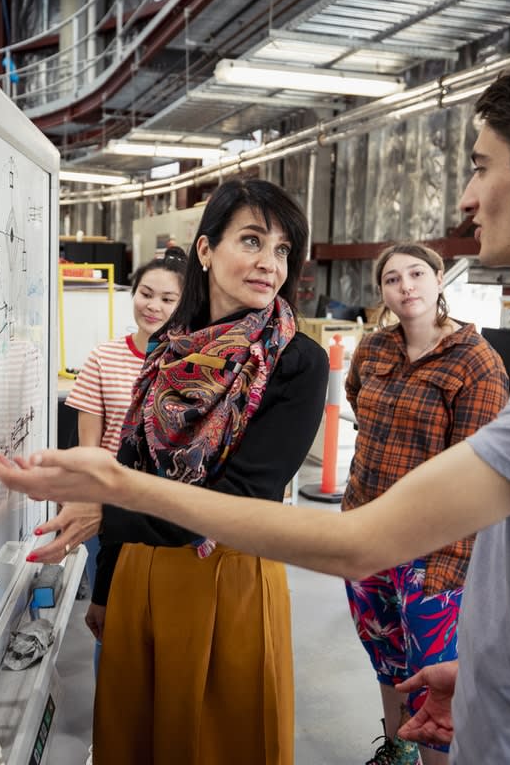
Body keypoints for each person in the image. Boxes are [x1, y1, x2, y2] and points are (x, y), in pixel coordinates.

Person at [0, 40, 510, 763]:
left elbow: (360, 541)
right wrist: (487, 675)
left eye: (483, 167)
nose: (465, 197)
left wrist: (112, 486)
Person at [24, 178, 327, 764]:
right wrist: (107, 586)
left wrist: (104, 515)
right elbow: (130, 461)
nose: (270, 264)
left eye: (284, 250)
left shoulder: (296, 360)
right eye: (252, 240)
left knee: (215, 743)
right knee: (139, 738)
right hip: (140, 572)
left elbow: (244, 497)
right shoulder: (169, 346)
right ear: (206, 250)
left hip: (227, 577)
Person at [346, 242, 508, 765]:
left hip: (432, 551)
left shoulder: (476, 361)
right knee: (387, 661)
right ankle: (396, 752)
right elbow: (356, 399)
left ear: (440, 279)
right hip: (366, 533)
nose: (406, 286)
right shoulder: (373, 349)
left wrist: (450, 564)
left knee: (431, 679)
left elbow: (477, 470)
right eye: (392, 279)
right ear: (383, 292)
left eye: (416, 273)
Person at [63, 247, 186, 663]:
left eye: (168, 299)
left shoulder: (193, 362)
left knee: (169, 632)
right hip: (112, 513)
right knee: (112, 628)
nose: (153, 306)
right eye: (146, 293)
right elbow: (88, 451)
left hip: (170, 515)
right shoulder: (104, 357)